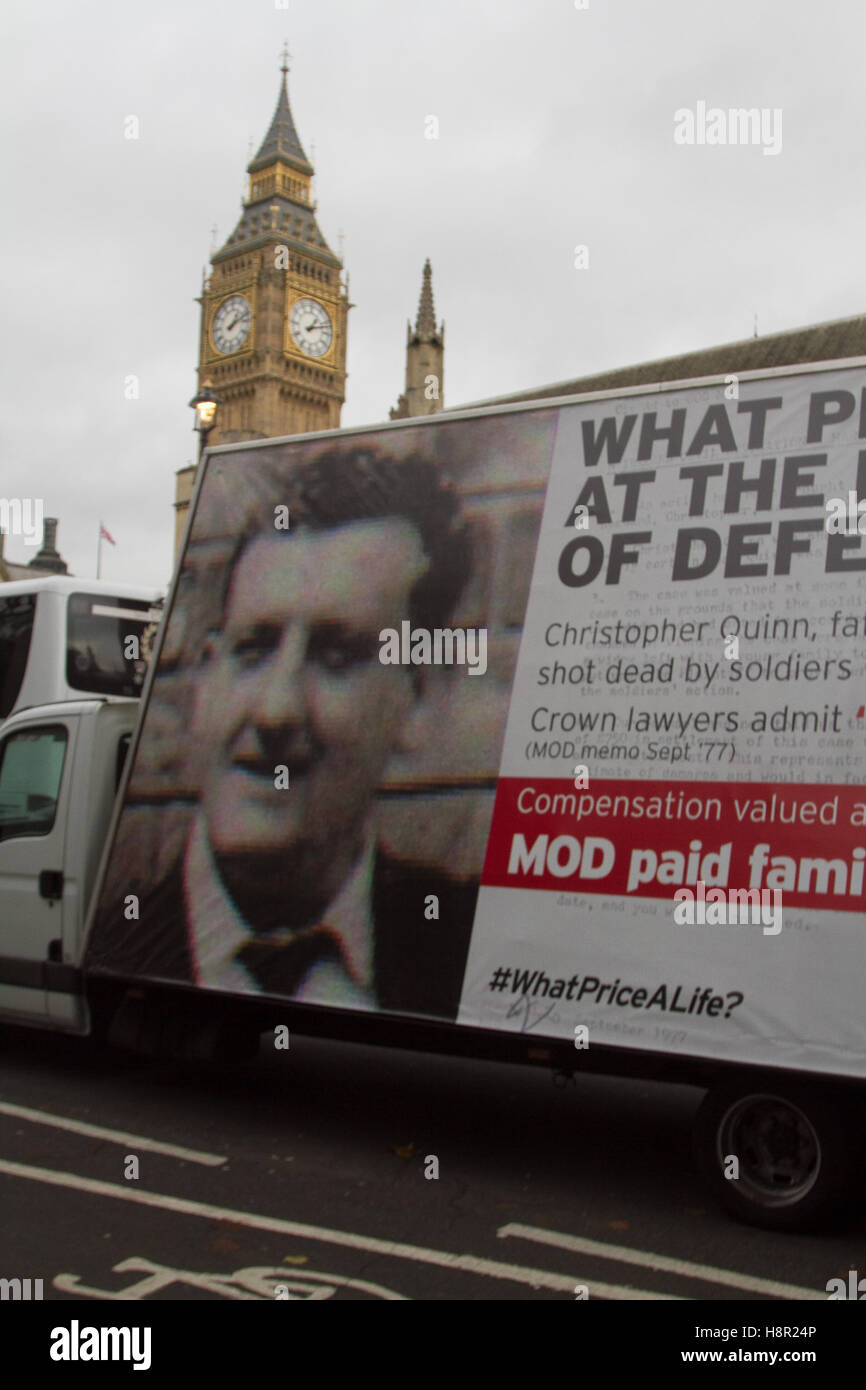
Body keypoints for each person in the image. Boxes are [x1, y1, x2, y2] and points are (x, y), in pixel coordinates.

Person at [90, 445, 479, 1021]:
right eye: (254, 649)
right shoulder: (107, 944)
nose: (276, 712)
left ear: (417, 697)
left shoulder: (461, 947)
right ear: (202, 678)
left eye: (336, 656)